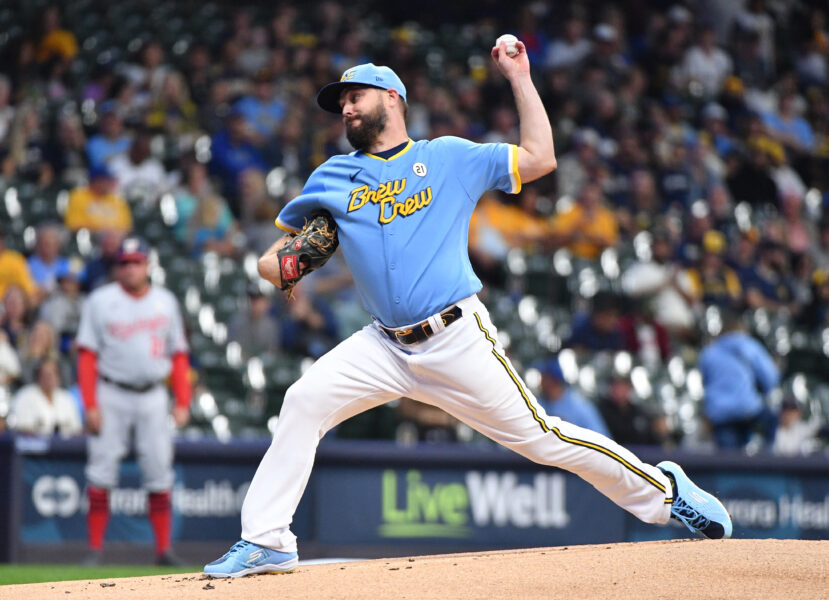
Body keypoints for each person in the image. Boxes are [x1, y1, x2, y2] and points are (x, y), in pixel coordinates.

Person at [205, 46, 732, 578]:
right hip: (382, 344)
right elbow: (275, 264)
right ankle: (267, 539)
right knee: (302, 402)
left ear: (393, 97)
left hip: (455, 337)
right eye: (340, 102)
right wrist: (282, 262)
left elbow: (540, 157)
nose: (345, 108)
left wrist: (520, 77)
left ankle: (667, 492)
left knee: (543, 439)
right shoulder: (334, 177)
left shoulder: (448, 157)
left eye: (354, 96)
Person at [76, 236, 191, 566]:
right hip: (111, 393)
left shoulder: (165, 301)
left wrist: (182, 399)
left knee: (159, 471)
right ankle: (95, 549)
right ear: (117, 267)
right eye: (124, 263)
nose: (129, 268)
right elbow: (86, 356)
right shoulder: (100, 300)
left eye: (136, 262)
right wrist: (90, 404)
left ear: (147, 265)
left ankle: (163, 550)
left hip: (154, 394)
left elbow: (179, 355)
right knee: (101, 471)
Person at [698, 309, 780, 449]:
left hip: (720, 414)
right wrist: (763, 391)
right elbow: (770, 377)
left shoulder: (709, 352)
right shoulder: (748, 345)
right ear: (740, 327)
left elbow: (703, 382)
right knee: (770, 421)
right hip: (748, 410)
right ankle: (768, 455)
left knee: (728, 463)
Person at [532, 357, 610, 437]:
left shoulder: (579, 406)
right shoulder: (539, 403)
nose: (541, 382)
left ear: (554, 379)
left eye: (544, 377)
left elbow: (601, 437)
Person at [10, 357, 81, 437]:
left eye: (52, 374)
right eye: (45, 374)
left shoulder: (66, 398)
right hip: (34, 446)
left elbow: (76, 430)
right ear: (38, 376)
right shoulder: (25, 395)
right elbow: (20, 429)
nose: (49, 378)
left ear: (59, 377)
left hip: (65, 446)